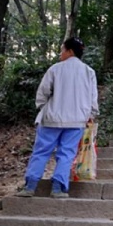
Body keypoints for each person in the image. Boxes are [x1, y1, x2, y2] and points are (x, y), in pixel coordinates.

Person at [16, 37, 99, 198]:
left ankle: (30, 186)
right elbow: (92, 98)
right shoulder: (89, 72)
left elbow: (42, 93)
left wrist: (43, 108)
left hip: (51, 119)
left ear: (70, 51)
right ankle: (58, 189)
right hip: (77, 121)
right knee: (67, 154)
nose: (60, 54)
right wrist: (91, 115)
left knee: (41, 152)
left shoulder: (55, 69)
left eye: (62, 50)